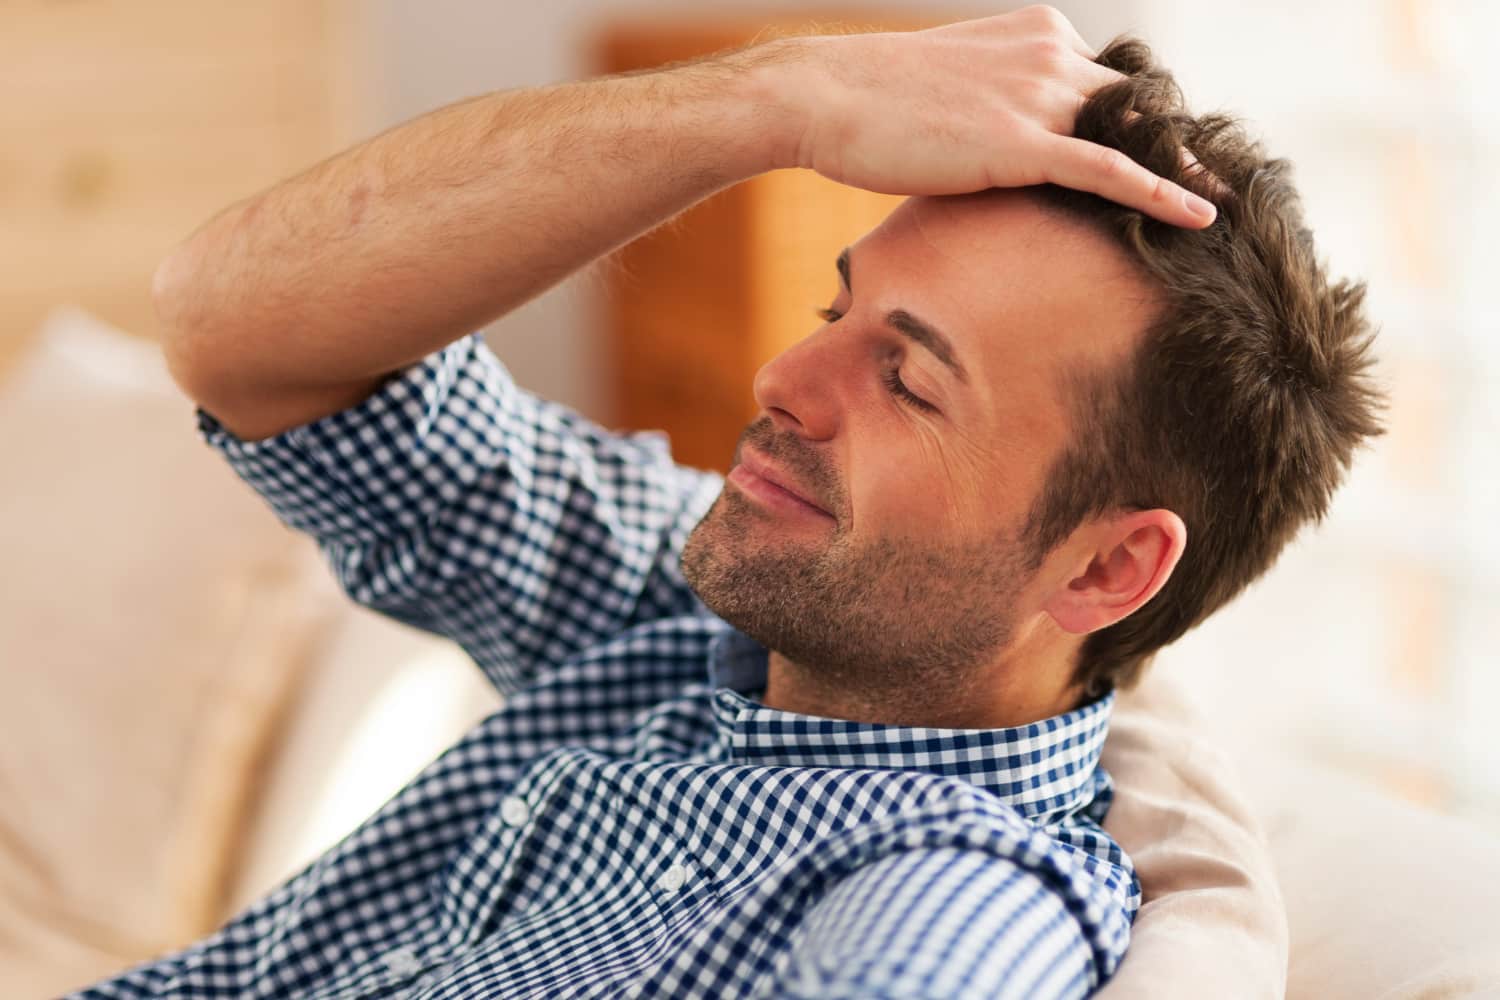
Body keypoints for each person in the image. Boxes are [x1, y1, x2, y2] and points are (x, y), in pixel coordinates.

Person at [76, 6, 1382, 998]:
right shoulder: (697, 607)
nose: (783, 377)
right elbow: (236, 330)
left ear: (1104, 573)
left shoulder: (943, 905)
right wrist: (778, 102)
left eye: (911, 380)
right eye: (835, 308)